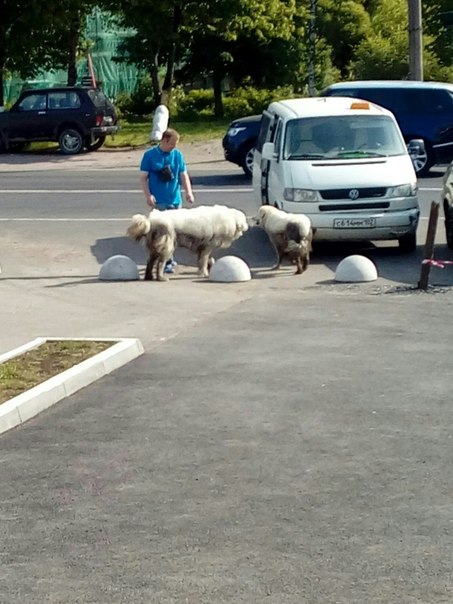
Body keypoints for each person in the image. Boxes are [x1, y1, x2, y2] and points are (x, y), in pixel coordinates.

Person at [139, 128, 195, 273]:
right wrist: (148, 195)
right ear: (164, 140)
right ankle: (164, 260)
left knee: (174, 233)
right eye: (172, 144)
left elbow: (183, 175)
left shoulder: (177, 155)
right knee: (162, 233)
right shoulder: (150, 155)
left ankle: (169, 259)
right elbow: (143, 178)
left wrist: (188, 192)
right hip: (159, 202)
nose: (174, 147)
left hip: (175, 200)